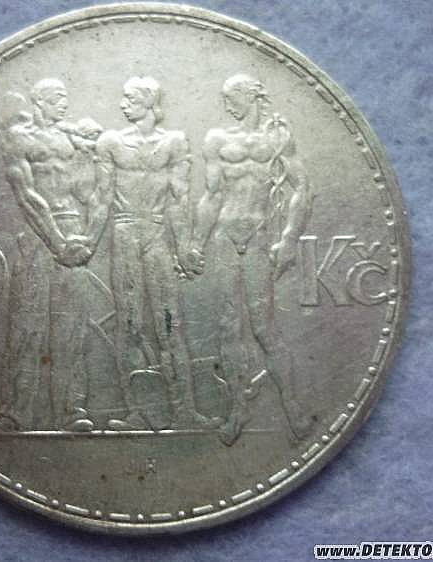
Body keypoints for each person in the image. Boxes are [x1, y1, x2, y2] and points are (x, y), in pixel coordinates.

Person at [185, 74, 313, 444]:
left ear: (251, 96)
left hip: (258, 238)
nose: (227, 105)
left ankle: (292, 409)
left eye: (232, 97)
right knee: (228, 327)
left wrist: (288, 239)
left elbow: (303, 188)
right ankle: (237, 410)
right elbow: (211, 196)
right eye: (225, 98)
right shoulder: (217, 139)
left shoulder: (277, 137)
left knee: (264, 328)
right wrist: (196, 243)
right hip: (225, 238)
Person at [84, 77, 214, 430]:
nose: (123, 104)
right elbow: (101, 197)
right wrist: (88, 242)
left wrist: (184, 246)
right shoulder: (110, 142)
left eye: (129, 98)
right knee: (129, 325)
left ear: (148, 101)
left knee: (169, 324)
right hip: (124, 232)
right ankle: (137, 412)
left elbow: (179, 198)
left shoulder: (174, 142)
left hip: (156, 234)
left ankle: (184, 412)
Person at [0, 79, 102, 432]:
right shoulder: (19, 139)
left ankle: (71, 411)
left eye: (65, 98)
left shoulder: (71, 139)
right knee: (27, 322)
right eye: (57, 98)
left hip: (73, 231)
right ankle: (15, 413)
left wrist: (88, 155)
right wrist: (57, 242)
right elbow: (26, 195)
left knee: (72, 326)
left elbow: (86, 192)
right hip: (37, 234)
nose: (63, 104)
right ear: (39, 101)